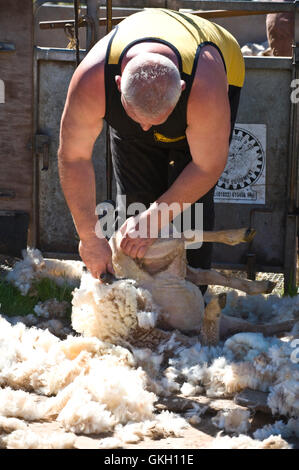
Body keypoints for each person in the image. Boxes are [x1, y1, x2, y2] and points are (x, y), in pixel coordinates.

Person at [58, 8, 245, 289]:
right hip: (144, 95)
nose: (146, 129)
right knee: (136, 209)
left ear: (182, 89)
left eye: (155, 121)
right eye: (138, 119)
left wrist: (157, 217)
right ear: (118, 84)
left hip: (213, 62)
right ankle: (140, 302)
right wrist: (90, 238)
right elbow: (74, 157)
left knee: (189, 214)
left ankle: (190, 300)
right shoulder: (92, 79)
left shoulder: (204, 87)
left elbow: (208, 165)